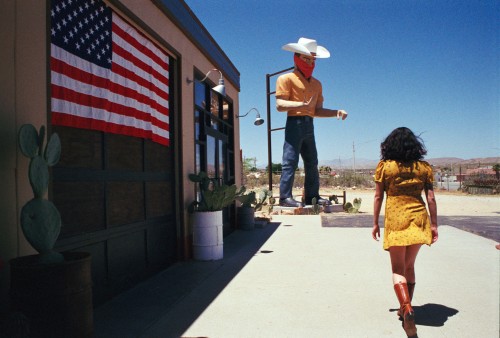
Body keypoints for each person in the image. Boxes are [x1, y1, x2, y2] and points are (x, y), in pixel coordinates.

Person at [372, 127, 438, 337]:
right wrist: (435, 225)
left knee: (397, 269)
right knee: (410, 265)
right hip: (418, 218)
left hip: (396, 219)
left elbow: (377, 197)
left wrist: (374, 223)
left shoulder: (385, 167)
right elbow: (431, 198)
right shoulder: (424, 168)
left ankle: (406, 307)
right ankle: (405, 308)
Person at [276, 37, 348, 208]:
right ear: (296, 57)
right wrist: (301, 104)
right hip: (294, 123)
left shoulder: (317, 84)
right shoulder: (285, 79)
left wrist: (335, 112)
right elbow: (280, 105)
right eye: (306, 58)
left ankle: (311, 195)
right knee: (290, 161)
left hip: (309, 124)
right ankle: (284, 197)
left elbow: (316, 111)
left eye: (312, 59)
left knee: (312, 161)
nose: (310, 62)